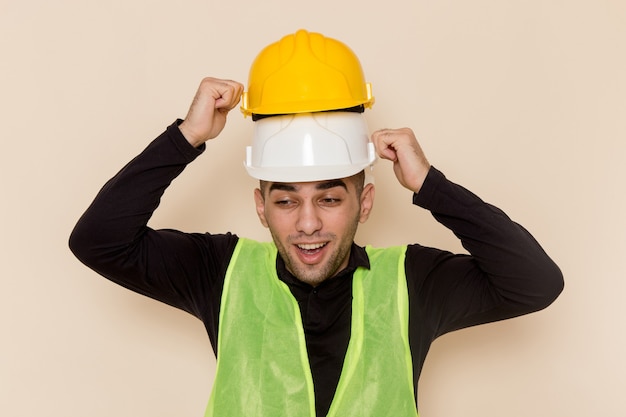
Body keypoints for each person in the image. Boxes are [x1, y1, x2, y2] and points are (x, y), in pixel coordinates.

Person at [69, 30, 563, 417]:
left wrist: (430, 184)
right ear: (260, 208)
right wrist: (187, 136)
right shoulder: (220, 272)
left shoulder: (413, 283)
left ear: (364, 202)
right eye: (286, 202)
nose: (308, 223)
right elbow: (98, 241)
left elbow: (536, 283)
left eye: (329, 198)